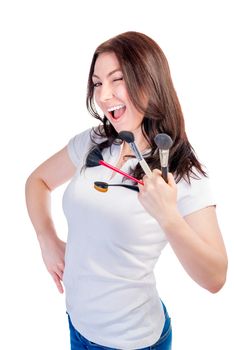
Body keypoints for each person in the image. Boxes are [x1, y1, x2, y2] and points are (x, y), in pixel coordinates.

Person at [25, 31, 228, 350]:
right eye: (97, 83)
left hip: (131, 342)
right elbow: (37, 182)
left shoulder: (181, 170)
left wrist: (168, 217)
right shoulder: (94, 141)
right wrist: (46, 237)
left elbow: (215, 277)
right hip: (77, 326)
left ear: (149, 81)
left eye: (116, 79)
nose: (103, 96)